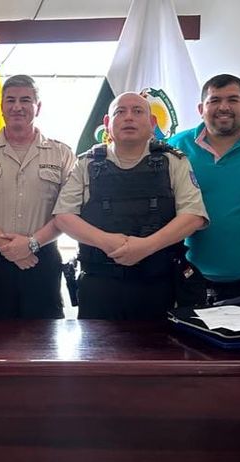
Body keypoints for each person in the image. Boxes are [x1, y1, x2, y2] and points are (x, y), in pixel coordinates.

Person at [53, 92, 208, 320]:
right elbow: (63, 216)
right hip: (99, 285)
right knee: (97, 344)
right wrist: (105, 241)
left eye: (137, 111)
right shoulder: (86, 163)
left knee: (160, 342)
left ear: (152, 123)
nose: (129, 117)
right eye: (120, 112)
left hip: (159, 284)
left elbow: (193, 215)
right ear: (107, 123)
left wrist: (146, 246)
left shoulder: (173, 161)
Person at [167, 74, 240, 305]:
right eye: (214, 100)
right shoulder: (175, 147)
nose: (224, 107)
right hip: (189, 279)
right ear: (201, 109)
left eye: (233, 100)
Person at [0, 74, 75, 320]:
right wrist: (10, 248)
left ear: (38, 107)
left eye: (25, 100)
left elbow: (67, 212)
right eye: (11, 100)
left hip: (42, 258)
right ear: (1, 106)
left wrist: (31, 244)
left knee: (45, 335)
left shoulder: (62, 154)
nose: (17, 107)